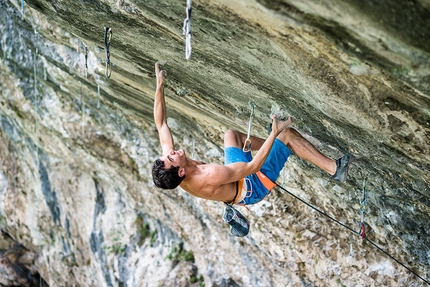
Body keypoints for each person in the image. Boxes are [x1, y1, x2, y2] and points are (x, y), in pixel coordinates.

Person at [152, 62, 353, 206]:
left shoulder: (176, 169)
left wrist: (160, 85)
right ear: (180, 172)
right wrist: (275, 134)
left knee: (232, 135)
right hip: (252, 187)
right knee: (288, 135)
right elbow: (252, 166)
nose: (172, 152)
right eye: (171, 157)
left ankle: (273, 143)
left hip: (237, 177)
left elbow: (161, 124)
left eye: (168, 154)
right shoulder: (210, 175)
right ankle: (334, 169)